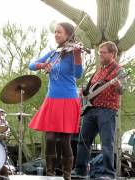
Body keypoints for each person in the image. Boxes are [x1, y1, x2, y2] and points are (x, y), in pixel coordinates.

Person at [28, 22, 83, 180]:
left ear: (68, 35)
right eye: (55, 32)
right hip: (52, 99)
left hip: (68, 100)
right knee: (50, 138)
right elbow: (31, 65)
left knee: (65, 141)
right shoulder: (53, 54)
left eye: (59, 32)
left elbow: (78, 74)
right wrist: (43, 65)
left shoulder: (74, 53)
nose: (56, 35)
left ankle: (67, 175)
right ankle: (50, 173)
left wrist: (78, 55)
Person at [71, 41, 124, 180]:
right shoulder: (98, 70)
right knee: (83, 141)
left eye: (103, 52)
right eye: (99, 53)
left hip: (107, 110)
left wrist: (118, 85)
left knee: (107, 143)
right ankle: (80, 171)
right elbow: (89, 90)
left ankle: (108, 174)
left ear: (112, 54)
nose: (100, 55)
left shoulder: (119, 70)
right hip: (90, 109)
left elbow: (122, 90)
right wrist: (83, 92)